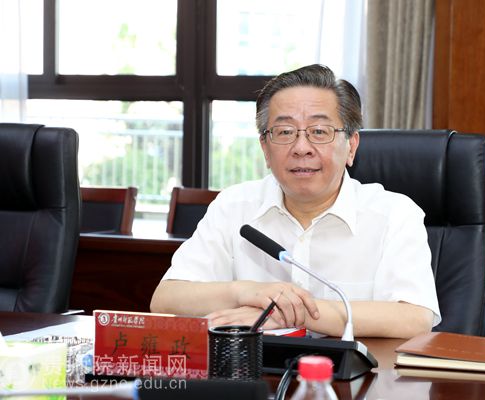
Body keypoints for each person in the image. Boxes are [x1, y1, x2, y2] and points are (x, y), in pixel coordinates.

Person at [150, 64, 440, 338]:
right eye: (285, 132)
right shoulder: (233, 206)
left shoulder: (394, 214)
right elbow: (165, 300)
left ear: (351, 146)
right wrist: (244, 292)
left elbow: (415, 318)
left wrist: (291, 313)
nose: (302, 148)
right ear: (265, 148)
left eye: (319, 132)